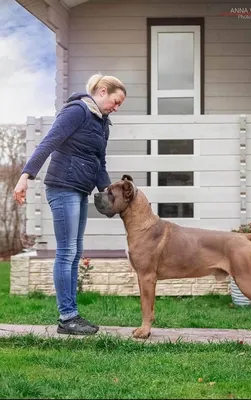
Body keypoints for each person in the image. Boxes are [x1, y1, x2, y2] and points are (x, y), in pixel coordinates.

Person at [13, 73, 126, 335]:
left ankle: (71, 315)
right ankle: (67, 317)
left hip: (79, 189)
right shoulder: (77, 111)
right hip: (62, 187)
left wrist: (109, 195)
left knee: (75, 252)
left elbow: (99, 162)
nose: (116, 108)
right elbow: (49, 142)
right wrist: (25, 177)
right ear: (101, 91)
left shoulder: (102, 123)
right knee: (66, 252)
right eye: (115, 101)